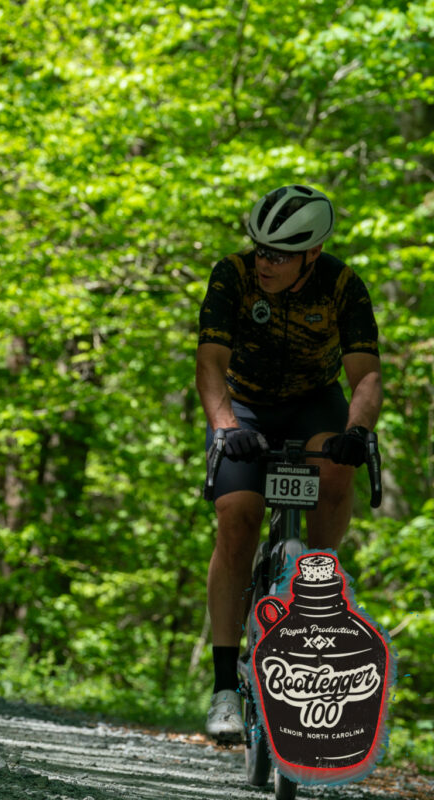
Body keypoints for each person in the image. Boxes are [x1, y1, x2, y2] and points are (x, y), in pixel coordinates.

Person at [195, 185, 382, 741]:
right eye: (260, 249)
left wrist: (357, 431)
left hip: (312, 403)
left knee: (337, 466)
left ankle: (316, 579)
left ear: (312, 254)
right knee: (237, 517)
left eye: (279, 254)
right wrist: (226, 427)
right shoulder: (232, 275)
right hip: (245, 406)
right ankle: (224, 689)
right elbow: (210, 363)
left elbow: (366, 375)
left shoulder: (343, 285)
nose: (265, 262)